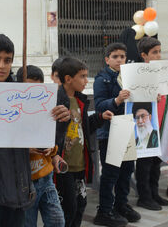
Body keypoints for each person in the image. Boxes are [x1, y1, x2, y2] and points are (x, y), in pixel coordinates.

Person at [0, 34, 70, 227]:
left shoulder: (25, 97)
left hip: (19, 194)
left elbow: (43, 144)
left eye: (7, 60)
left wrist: (60, 121)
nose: (1, 66)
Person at [55, 57, 113, 227]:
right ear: (68, 79)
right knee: (68, 208)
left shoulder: (81, 101)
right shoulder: (57, 101)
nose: (86, 80)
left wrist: (101, 117)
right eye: (82, 76)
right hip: (63, 167)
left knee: (80, 205)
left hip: (79, 165)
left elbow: (85, 127)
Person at [93, 43, 141, 227]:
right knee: (111, 173)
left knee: (127, 170)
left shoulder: (131, 77)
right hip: (110, 132)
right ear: (107, 60)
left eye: (122, 56)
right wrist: (117, 100)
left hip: (128, 130)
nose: (119, 60)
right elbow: (99, 106)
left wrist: (150, 98)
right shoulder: (102, 79)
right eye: (115, 56)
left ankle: (121, 204)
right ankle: (105, 210)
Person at [133, 37, 168, 210]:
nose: (159, 55)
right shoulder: (139, 72)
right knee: (144, 164)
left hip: (159, 124)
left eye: (160, 51)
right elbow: (134, 98)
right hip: (145, 125)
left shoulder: (163, 71)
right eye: (154, 52)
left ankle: (153, 193)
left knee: (155, 163)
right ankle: (144, 196)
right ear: (144, 55)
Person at [16, 65, 65, 227]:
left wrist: (53, 150)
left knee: (57, 221)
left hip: (46, 179)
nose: (32, 93)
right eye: (28, 87)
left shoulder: (46, 111)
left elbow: (52, 141)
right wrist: (26, 149)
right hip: (24, 184)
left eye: (37, 88)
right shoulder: (12, 114)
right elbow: (7, 147)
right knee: (28, 223)